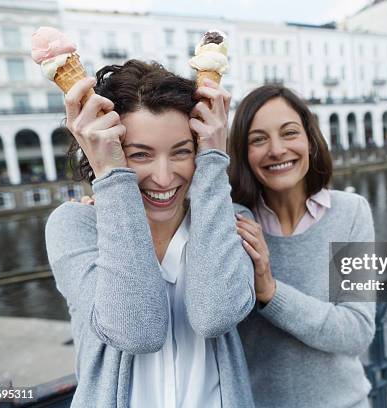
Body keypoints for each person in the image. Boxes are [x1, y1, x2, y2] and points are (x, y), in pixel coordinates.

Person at [45, 60, 255, 407]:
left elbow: (214, 314)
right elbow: (136, 331)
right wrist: (112, 177)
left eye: (182, 152)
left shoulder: (234, 223)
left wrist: (215, 159)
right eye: (139, 154)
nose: (163, 176)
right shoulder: (75, 226)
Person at [229, 85, 376, 407]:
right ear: (243, 153)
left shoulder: (351, 212)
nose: (277, 149)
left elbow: (357, 332)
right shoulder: (232, 224)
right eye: (258, 139)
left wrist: (269, 291)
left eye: (289, 133)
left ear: (310, 141)